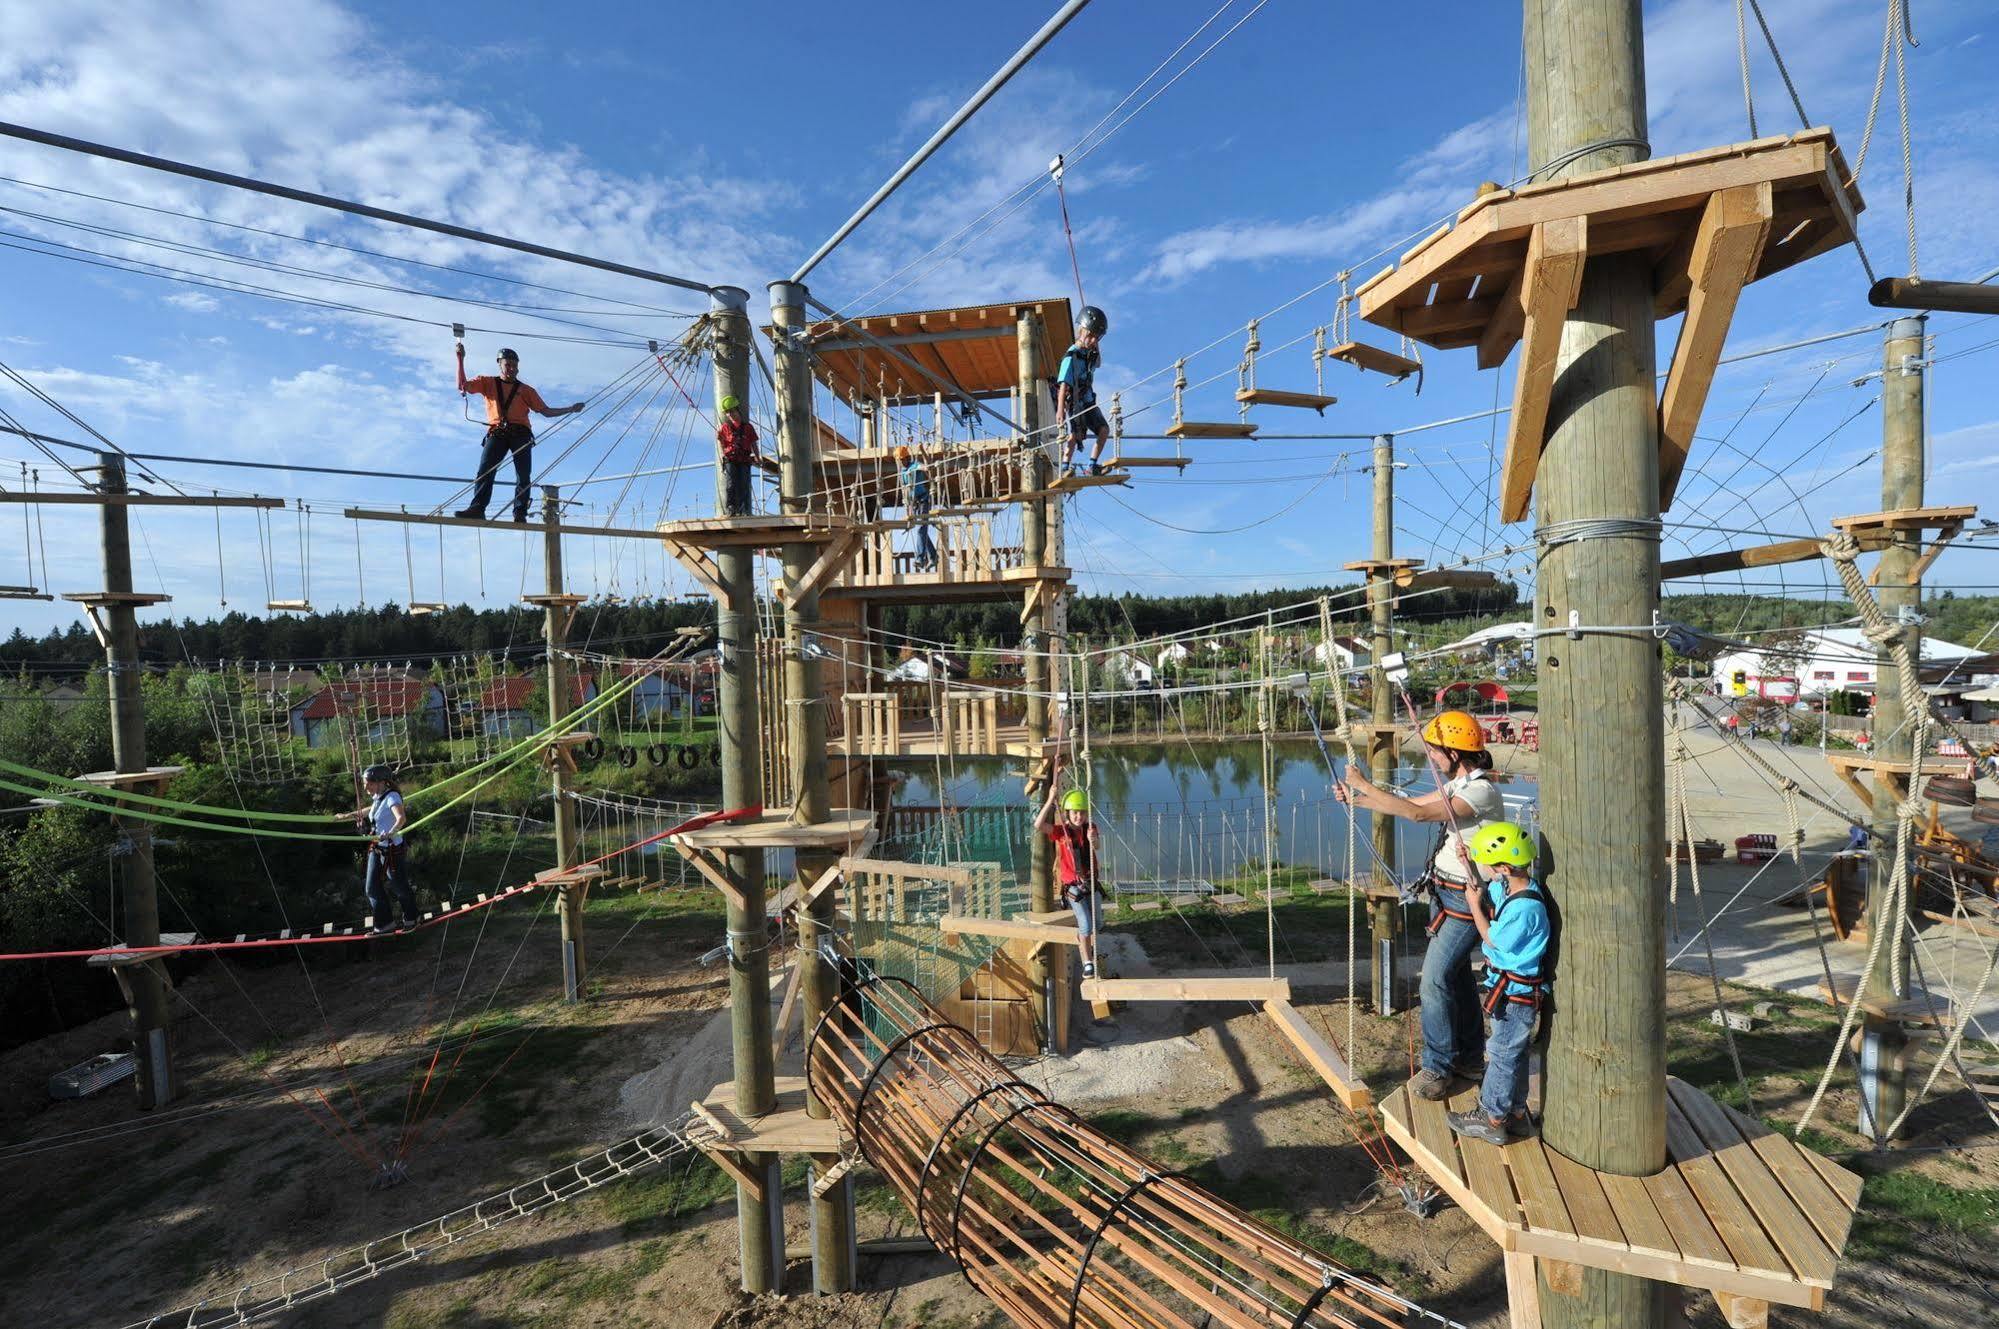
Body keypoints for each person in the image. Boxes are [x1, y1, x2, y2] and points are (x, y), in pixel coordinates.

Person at [1335, 710, 1503, 1099]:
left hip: (1466, 899)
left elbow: (1416, 814)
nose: (1430, 757)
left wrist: (1362, 782)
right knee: (1457, 980)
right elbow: (1409, 801)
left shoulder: (1480, 792)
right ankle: (1471, 1059)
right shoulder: (1462, 783)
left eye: (1434, 751)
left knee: (1433, 982)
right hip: (1445, 893)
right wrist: (1356, 798)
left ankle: (1439, 1067)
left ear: (1455, 752)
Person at [1446, 821, 1551, 1146]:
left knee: (1502, 1055)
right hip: (1512, 993)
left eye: (1491, 866)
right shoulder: (1515, 888)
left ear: (1504, 867)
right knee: (1514, 1055)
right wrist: (1469, 866)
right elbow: (1488, 890)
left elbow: (1492, 937)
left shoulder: (1526, 909)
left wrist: (1475, 907)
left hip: (1516, 998)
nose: (1489, 871)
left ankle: (1491, 1117)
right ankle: (1516, 1114)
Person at [454, 344, 585, 521]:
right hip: (498, 432)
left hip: (520, 433)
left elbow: (545, 411)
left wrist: (570, 409)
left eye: (515, 366)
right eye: (508, 365)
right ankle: (477, 508)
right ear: (499, 364)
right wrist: (460, 359)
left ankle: (520, 512)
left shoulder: (526, 390)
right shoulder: (487, 382)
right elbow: (462, 385)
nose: (512, 369)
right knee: (485, 470)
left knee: (523, 475)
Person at [1035, 761, 1101, 978]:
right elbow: (1038, 825)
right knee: (1086, 924)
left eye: (1081, 813)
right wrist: (1050, 801)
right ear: (1068, 812)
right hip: (1073, 887)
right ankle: (1087, 962)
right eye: (1074, 813)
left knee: (1097, 924)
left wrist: (1093, 840)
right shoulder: (1060, 832)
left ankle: (1084, 944)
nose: (1078, 817)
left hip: (1090, 883)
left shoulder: (1090, 828)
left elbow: (1097, 846)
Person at [353, 765, 416, 932]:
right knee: (371, 888)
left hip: (392, 849)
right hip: (378, 847)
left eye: (368, 783)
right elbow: (371, 810)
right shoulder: (378, 797)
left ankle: (411, 918)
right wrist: (348, 815)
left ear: (381, 782)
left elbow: (401, 818)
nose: (365, 787)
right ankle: (385, 924)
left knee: (399, 886)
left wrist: (390, 832)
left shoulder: (392, 797)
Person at [1054, 305, 1111, 476]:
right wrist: (1060, 409)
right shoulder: (1071, 357)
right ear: (1082, 331)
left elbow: (1098, 363)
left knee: (1104, 430)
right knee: (1075, 434)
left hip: (1088, 401)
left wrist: (1096, 346)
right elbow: (1063, 383)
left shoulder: (1090, 354)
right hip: (1076, 402)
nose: (1093, 341)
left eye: (1097, 338)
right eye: (1091, 336)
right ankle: (1065, 467)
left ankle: (1092, 465)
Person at [896, 444, 937, 571]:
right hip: (913, 503)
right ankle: (933, 556)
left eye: (902, 459)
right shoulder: (903, 472)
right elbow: (906, 492)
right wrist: (908, 509)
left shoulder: (915, 466)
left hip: (923, 500)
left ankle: (920, 559)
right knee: (921, 531)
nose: (902, 462)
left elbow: (927, 467)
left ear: (907, 458)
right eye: (900, 460)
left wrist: (923, 452)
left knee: (921, 529)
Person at [717, 394, 758, 516]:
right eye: (727, 413)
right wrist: (722, 453)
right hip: (731, 459)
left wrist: (757, 456)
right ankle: (731, 509)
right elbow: (722, 444)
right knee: (731, 484)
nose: (729, 415)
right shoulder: (725, 428)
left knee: (744, 484)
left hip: (744, 459)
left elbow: (753, 443)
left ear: (737, 410)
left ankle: (744, 510)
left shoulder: (748, 427)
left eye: (731, 411)